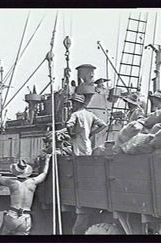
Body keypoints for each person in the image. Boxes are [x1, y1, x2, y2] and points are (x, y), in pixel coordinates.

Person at [65, 93, 107, 234]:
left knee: (77, 168)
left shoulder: (75, 114)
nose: (72, 105)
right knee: (87, 165)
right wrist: (90, 133)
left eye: (73, 103)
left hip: (77, 144)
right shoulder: (90, 115)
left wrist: (72, 133)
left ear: (77, 104)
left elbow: (68, 125)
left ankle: (79, 188)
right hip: (87, 145)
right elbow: (103, 124)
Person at [0, 154, 51, 235]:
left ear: (15, 171)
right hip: (25, 217)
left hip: (12, 215)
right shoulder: (33, 182)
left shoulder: (12, 183)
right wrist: (47, 160)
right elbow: (44, 174)